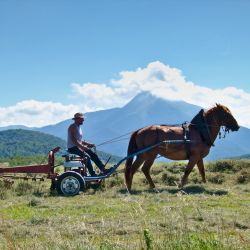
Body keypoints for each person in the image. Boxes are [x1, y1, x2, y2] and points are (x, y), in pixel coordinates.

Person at [67, 112, 112, 176]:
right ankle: (93, 174)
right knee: (87, 157)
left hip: (77, 147)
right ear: (77, 119)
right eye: (81, 119)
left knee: (93, 154)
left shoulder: (78, 127)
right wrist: (82, 147)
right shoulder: (73, 127)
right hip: (72, 148)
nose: (83, 120)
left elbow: (79, 140)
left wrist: (89, 144)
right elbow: (73, 139)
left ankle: (103, 169)